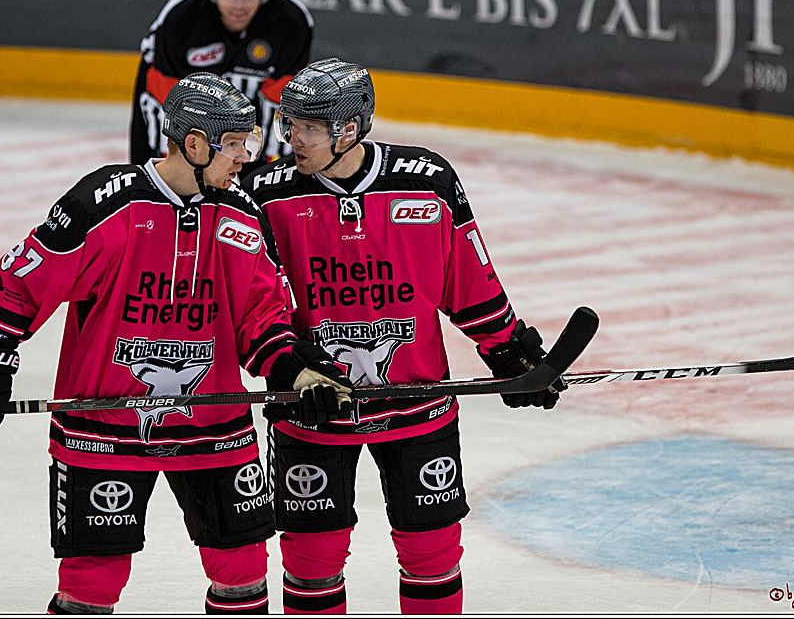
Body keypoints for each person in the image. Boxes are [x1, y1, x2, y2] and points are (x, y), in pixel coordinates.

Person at [0, 73, 353, 614]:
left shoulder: (240, 215)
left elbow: (263, 317)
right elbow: (23, 281)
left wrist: (299, 372)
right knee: (91, 583)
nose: (245, 157)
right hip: (104, 425)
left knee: (243, 573)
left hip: (214, 426)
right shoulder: (105, 203)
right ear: (193, 145)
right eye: (233, 145)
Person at [243, 58, 566, 614]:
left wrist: (509, 351)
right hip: (315, 407)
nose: (292, 137)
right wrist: (287, 367)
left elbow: (468, 280)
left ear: (349, 128)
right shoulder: (264, 195)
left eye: (308, 127)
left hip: (418, 404)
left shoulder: (427, 181)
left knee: (432, 554)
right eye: (288, 123)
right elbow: (254, 303)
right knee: (312, 561)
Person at [130, 0, 313, 176]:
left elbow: (280, 107)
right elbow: (164, 105)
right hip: (179, 97)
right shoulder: (180, 20)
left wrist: (263, 178)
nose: (239, 4)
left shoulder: (291, 23)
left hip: (253, 101)